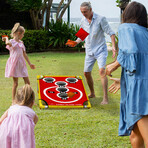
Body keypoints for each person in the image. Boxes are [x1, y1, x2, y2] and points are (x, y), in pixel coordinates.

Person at [106, 2, 148, 147]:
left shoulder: (126, 28)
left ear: (127, 15)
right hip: (139, 84)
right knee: (135, 136)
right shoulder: (145, 33)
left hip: (140, 90)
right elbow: (142, 64)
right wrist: (123, 80)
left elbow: (131, 52)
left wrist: (114, 65)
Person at [66, 2, 116, 104]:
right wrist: (76, 42)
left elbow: (111, 33)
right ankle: (92, 93)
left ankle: (105, 98)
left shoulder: (101, 19)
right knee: (86, 73)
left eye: (85, 12)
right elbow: (82, 34)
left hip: (100, 50)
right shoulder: (83, 20)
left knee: (101, 72)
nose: (83, 14)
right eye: (81, 12)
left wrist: (114, 47)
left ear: (90, 9)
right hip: (89, 51)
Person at [2, 23, 35, 102]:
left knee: (27, 82)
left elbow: (24, 54)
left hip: (22, 64)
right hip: (15, 64)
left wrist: (30, 63)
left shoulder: (21, 43)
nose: (23, 36)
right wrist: (6, 38)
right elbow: (7, 43)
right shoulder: (11, 41)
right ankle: (13, 100)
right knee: (15, 83)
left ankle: (28, 99)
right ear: (19, 33)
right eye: (23, 34)